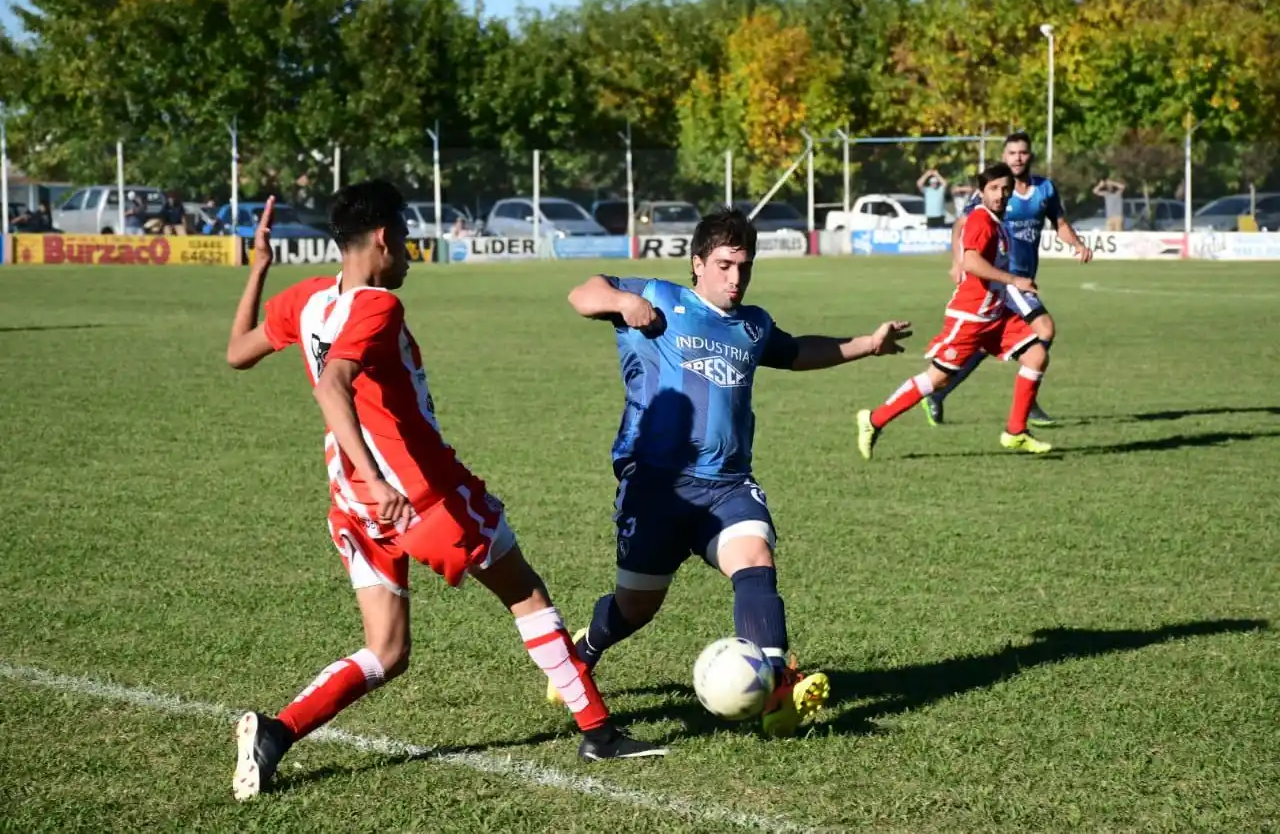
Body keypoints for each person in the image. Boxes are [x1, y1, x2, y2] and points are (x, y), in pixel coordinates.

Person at [224, 180, 664, 801]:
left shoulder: (307, 299)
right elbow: (332, 386)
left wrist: (259, 270)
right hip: (421, 495)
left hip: (354, 504)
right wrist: (379, 478)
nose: (409, 252)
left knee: (387, 650)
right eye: (405, 238)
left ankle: (275, 733)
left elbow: (237, 352)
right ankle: (598, 732)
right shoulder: (377, 306)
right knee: (526, 595)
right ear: (382, 239)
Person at [561, 208, 912, 737]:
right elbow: (582, 294)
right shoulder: (659, 297)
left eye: (744, 267)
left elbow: (797, 351)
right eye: (724, 265)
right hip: (656, 484)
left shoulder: (753, 325)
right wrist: (622, 301)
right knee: (635, 608)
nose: (735, 278)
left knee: (754, 559)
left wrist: (868, 343)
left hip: (727, 482)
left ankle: (775, 689)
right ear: (698, 263)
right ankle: (584, 652)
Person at [857, 162, 1053, 458]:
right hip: (970, 318)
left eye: (1005, 189)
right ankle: (873, 420)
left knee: (1036, 356)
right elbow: (971, 262)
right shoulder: (981, 220)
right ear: (981, 191)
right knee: (937, 379)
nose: (1000, 194)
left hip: (995, 316)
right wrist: (1014, 280)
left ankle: (1016, 432)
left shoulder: (997, 222)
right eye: (993, 188)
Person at [921, 132, 1093, 428]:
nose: (1017, 158)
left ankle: (938, 393)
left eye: (1022, 152)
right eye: (1012, 153)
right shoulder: (992, 191)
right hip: (1004, 279)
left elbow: (1060, 223)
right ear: (1004, 156)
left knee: (983, 344)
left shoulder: (1044, 189)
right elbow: (961, 225)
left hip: (1024, 277)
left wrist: (1077, 244)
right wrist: (957, 261)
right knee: (1044, 328)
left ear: (1030, 156)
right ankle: (1029, 399)